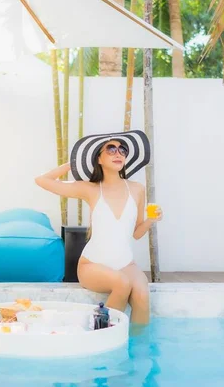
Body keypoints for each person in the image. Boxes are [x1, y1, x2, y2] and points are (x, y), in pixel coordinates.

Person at [35, 130, 162, 325]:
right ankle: (100, 334)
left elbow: (136, 233)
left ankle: (140, 350)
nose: (118, 153)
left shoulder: (137, 189)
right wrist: (74, 163)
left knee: (142, 295)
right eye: (111, 149)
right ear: (99, 159)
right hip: (91, 266)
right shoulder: (90, 189)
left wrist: (151, 221)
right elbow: (42, 180)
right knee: (122, 283)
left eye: (122, 149)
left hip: (126, 264)